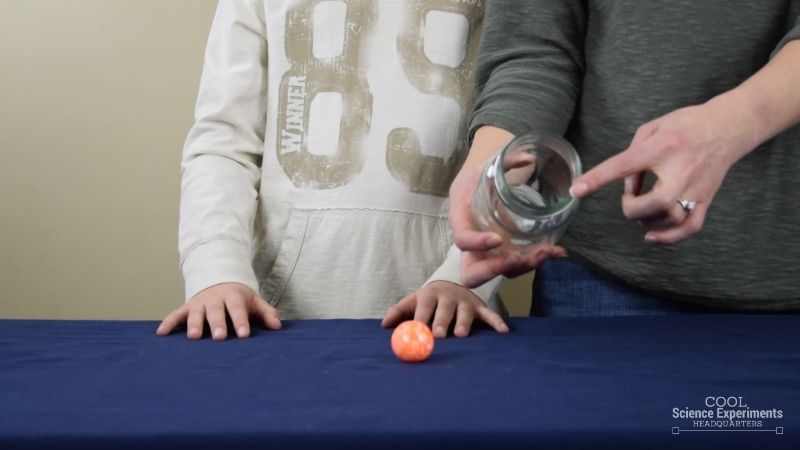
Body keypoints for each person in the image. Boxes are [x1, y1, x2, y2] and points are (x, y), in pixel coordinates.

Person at [157, 0, 510, 340]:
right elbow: (224, 144)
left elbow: (520, 137)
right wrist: (216, 269)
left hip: (454, 319)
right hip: (279, 322)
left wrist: (463, 276)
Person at [449, 0, 800, 315]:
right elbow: (534, 49)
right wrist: (492, 167)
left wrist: (727, 127)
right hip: (598, 277)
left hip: (785, 277)